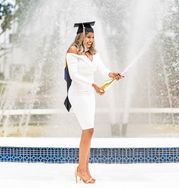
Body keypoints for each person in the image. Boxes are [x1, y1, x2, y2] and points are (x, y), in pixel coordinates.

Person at [64, 21, 123, 184]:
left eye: (92, 37)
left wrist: (112, 74)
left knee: (89, 131)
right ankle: (81, 170)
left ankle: (83, 169)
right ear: (80, 36)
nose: (90, 40)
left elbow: (102, 69)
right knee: (88, 130)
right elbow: (74, 75)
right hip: (78, 93)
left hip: (89, 94)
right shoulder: (73, 51)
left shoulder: (93, 53)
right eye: (88, 37)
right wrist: (93, 85)